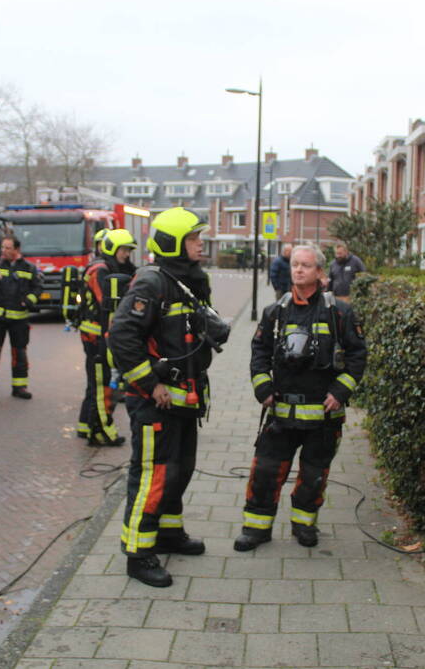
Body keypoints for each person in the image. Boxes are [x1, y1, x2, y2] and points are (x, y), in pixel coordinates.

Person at [109, 207, 227, 587]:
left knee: (181, 469)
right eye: (193, 239)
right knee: (154, 474)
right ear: (172, 243)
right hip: (156, 401)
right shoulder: (150, 283)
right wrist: (150, 384)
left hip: (185, 400)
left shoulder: (192, 280)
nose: (200, 245)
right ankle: (138, 554)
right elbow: (121, 337)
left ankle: (168, 533)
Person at [235, 244, 367, 551]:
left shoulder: (339, 313)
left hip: (323, 417)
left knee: (313, 476)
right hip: (281, 414)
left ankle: (304, 525)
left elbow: (357, 356)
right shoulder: (275, 312)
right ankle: (256, 529)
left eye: (306, 265)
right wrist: (262, 387)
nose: (298, 270)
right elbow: (259, 352)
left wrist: (340, 392)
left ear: (320, 272)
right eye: (295, 264)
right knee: (266, 471)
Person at [78, 229, 138, 446]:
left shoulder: (110, 268)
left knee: (95, 383)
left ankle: (86, 425)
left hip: (100, 334)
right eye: (124, 250)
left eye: (129, 250)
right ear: (112, 249)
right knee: (102, 384)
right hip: (96, 336)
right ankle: (102, 431)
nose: (127, 255)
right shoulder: (100, 271)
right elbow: (109, 302)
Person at [0, 234, 43, 401]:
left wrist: (29, 301)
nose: (3, 250)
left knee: (20, 355)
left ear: (17, 250)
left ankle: (19, 387)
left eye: (8, 248)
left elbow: (38, 288)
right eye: (3, 247)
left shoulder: (29, 268)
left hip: (19, 319)